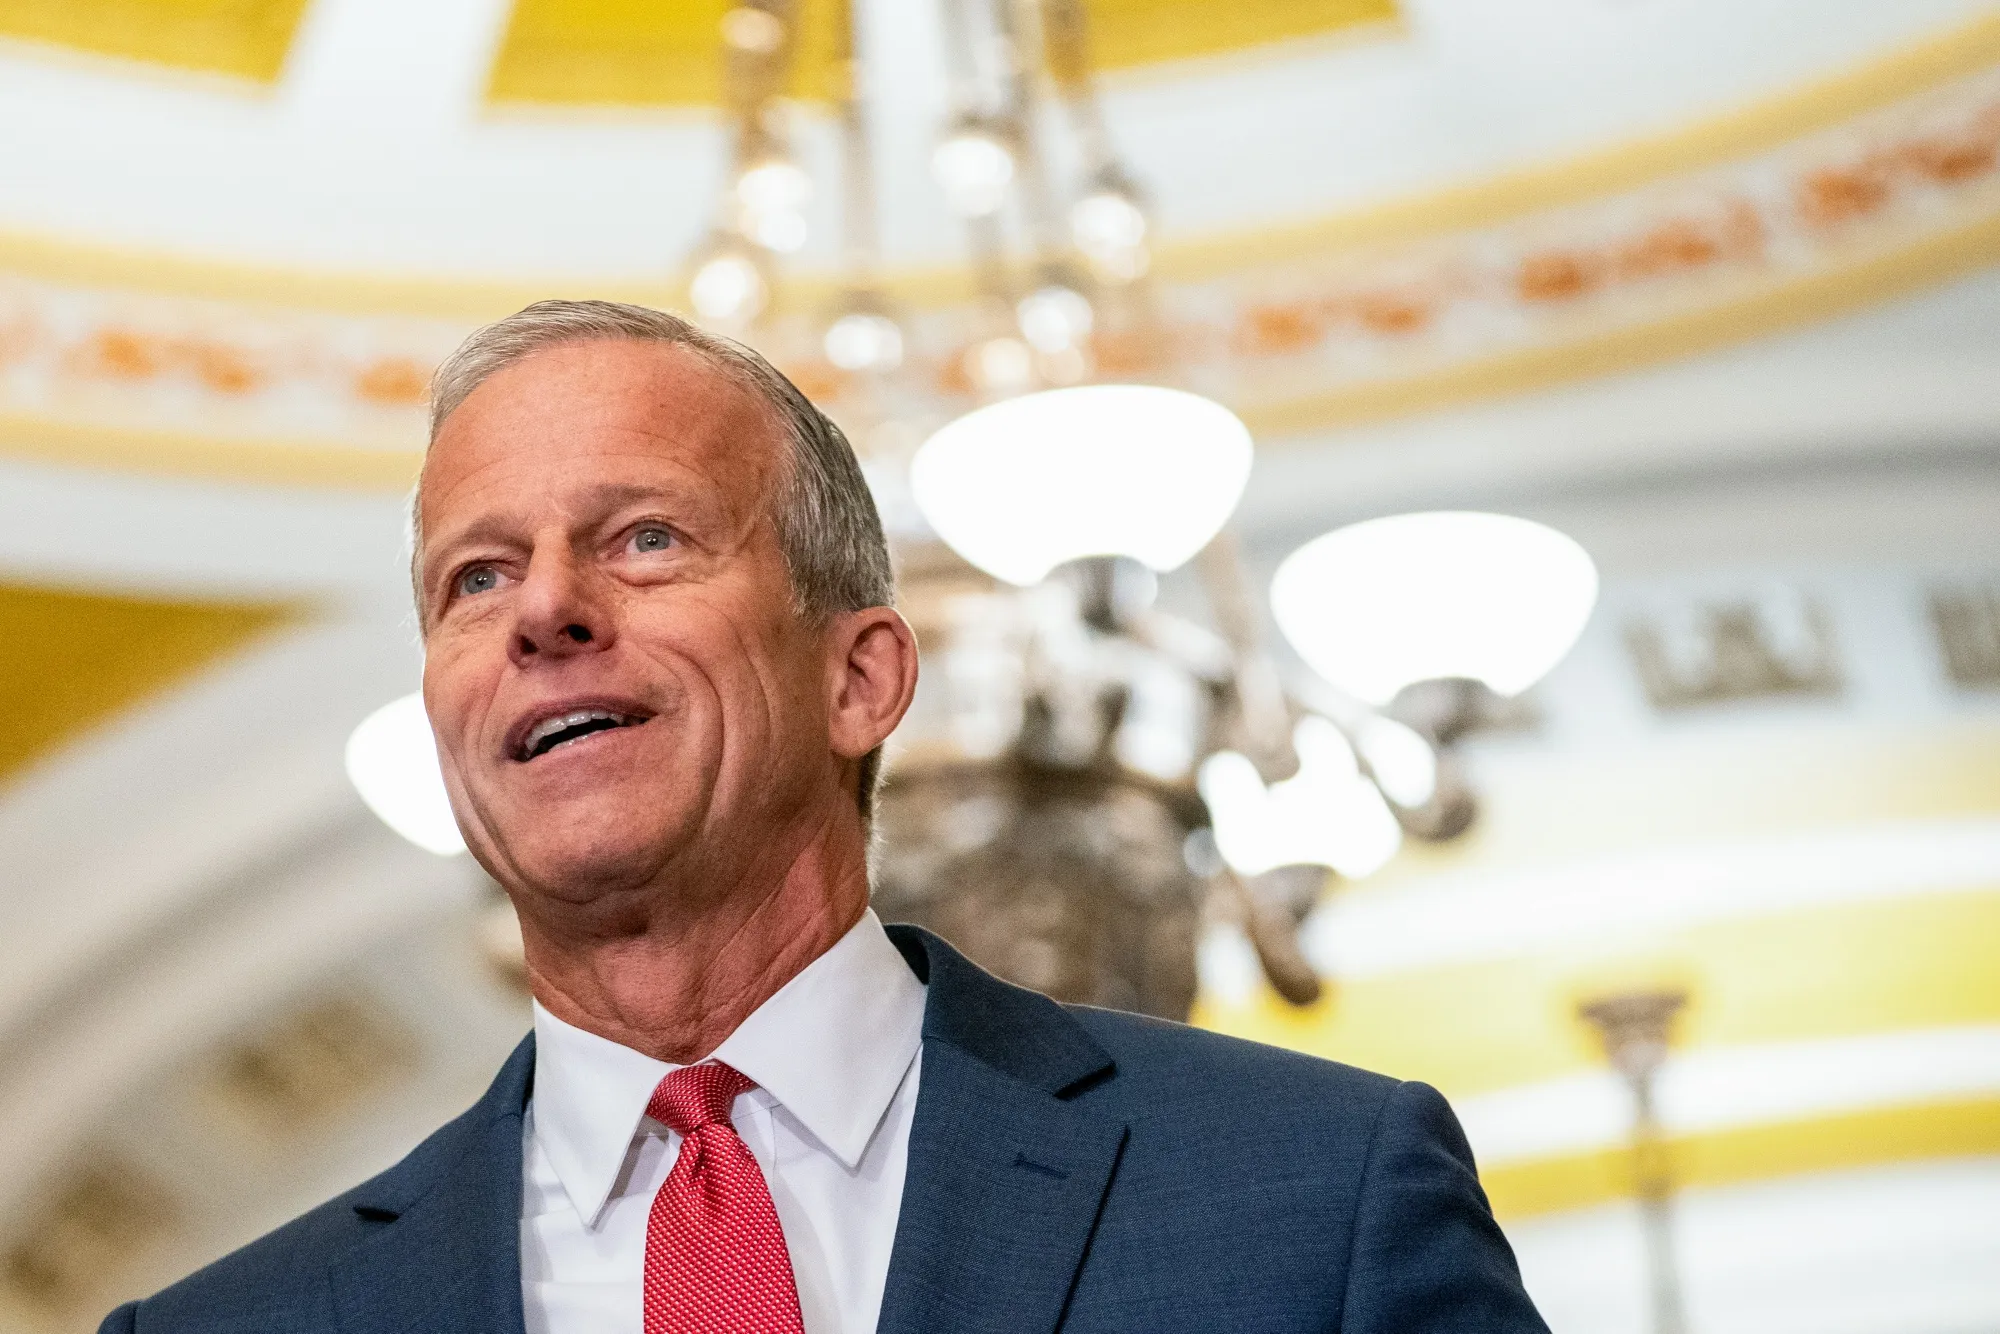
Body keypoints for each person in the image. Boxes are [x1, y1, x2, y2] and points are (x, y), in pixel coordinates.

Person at [100, 300, 1549, 1334]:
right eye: (474, 578)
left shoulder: (1316, 1193)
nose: (543, 608)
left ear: (861, 678)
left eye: (644, 538)